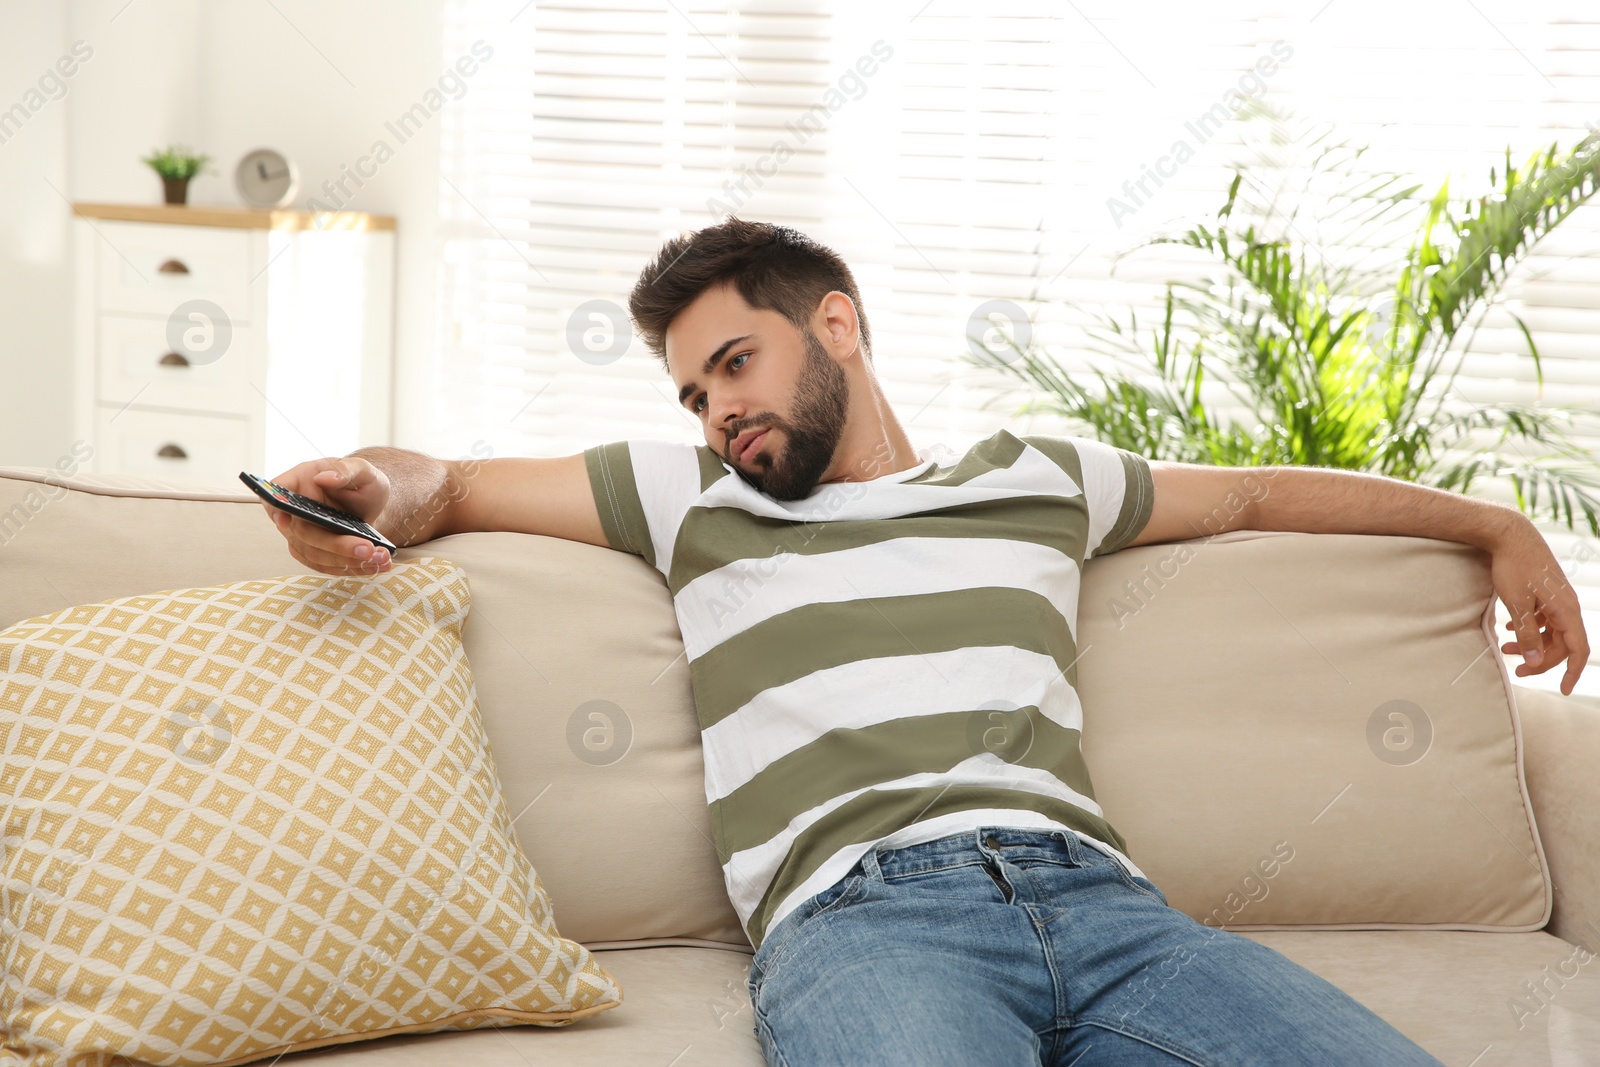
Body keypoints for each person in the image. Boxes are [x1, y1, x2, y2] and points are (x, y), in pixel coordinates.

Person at [261, 218, 1587, 1066]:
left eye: (736, 362)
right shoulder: (686, 498)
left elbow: (1251, 493)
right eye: (691, 388)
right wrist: (374, 493)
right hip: (867, 921)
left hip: (1112, 910)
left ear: (835, 323)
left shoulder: (1034, 480)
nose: (716, 408)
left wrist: (1486, 523)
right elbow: (451, 479)